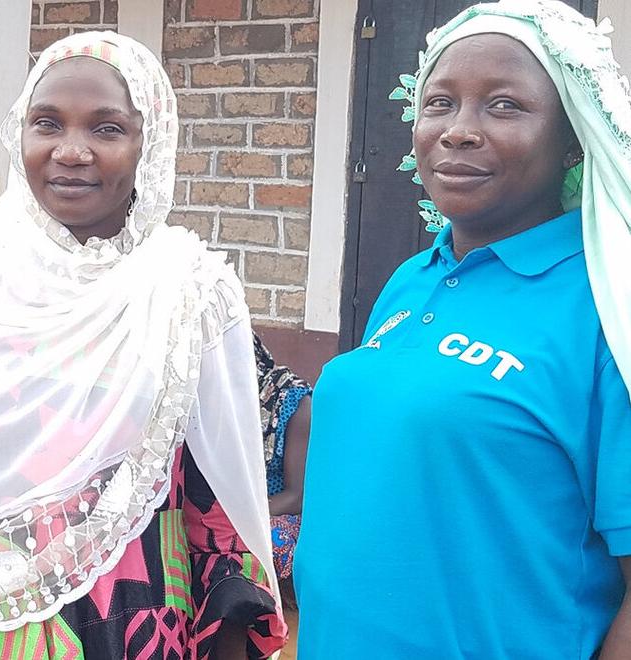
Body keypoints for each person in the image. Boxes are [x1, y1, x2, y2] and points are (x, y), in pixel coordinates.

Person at [0, 32, 286, 660]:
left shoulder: (188, 288)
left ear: (149, 144)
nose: (71, 151)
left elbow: (218, 488)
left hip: (123, 613)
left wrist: (232, 631)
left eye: (107, 129)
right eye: (47, 123)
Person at [296, 2, 631, 658]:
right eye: (439, 103)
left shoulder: (608, 307)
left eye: (504, 106)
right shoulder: (410, 280)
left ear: (572, 139)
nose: (458, 131)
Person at [253, 332, 311, 588]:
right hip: (227, 510)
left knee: (264, 540)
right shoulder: (214, 401)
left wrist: (240, 517)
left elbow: (297, 496)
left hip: (279, 510)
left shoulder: (293, 401)